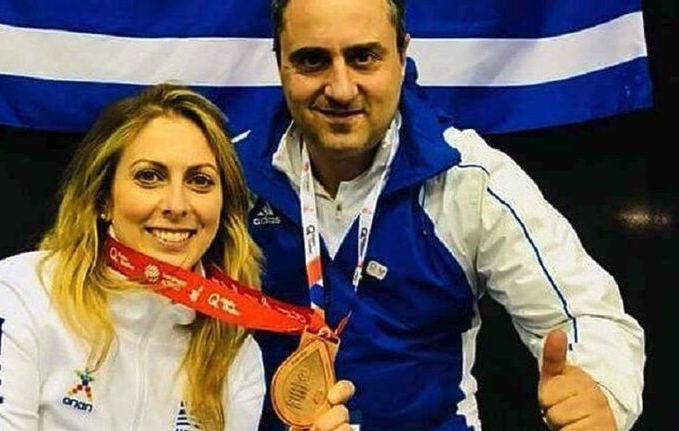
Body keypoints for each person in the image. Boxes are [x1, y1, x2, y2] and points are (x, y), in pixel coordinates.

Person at [236, 0, 646, 430]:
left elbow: (588, 315)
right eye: (312, 60)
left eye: (363, 57)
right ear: (280, 62)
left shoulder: (470, 180)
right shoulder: (227, 178)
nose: (340, 88)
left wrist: (601, 392)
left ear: (402, 54)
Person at [0, 83, 354, 431]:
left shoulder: (233, 356)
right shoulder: (11, 299)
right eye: (149, 177)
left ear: (222, 207)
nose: (176, 204)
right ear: (103, 197)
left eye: (200, 181)